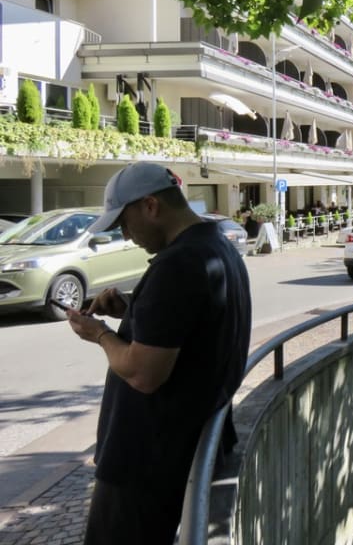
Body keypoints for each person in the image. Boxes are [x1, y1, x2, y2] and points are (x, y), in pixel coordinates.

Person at [65, 162, 252, 545]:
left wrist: (98, 333)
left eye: (124, 221)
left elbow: (142, 373)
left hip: (146, 461)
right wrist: (132, 310)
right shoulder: (216, 246)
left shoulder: (178, 264)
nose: (125, 234)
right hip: (183, 451)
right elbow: (192, 322)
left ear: (150, 205)